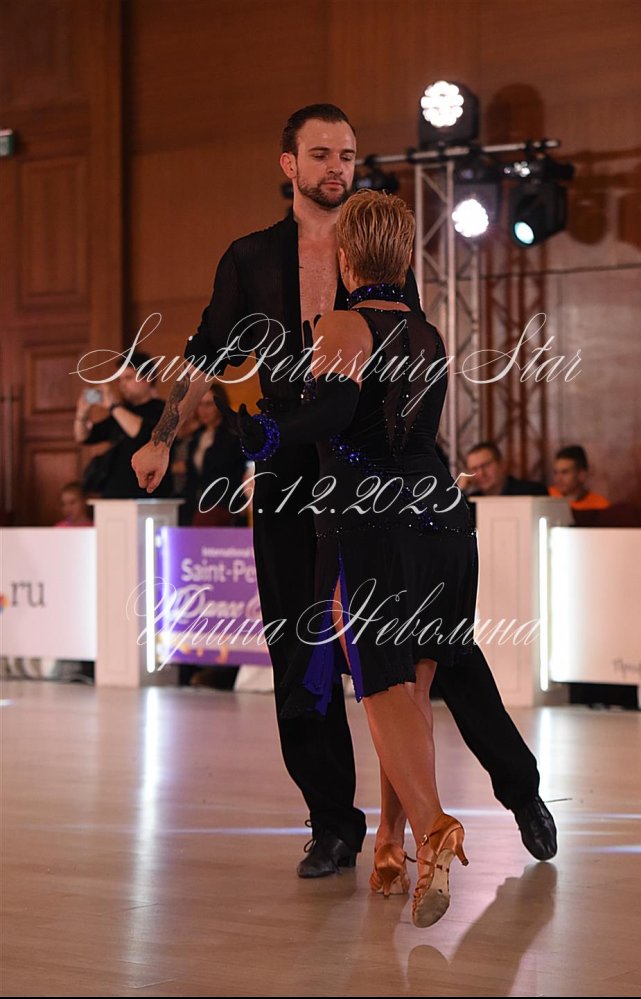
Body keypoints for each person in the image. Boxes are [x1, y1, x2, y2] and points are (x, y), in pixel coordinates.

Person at [131, 104, 556, 880]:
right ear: (288, 164)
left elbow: (405, 369)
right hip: (291, 482)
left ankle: (515, 790)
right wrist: (162, 435)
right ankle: (335, 825)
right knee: (303, 656)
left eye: (348, 154)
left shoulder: (381, 256)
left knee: (434, 655)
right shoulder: (250, 258)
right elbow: (204, 354)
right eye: (321, 153)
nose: (337, 166)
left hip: (375, 480)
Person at [75, 351, 172, 499]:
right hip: (113, 494)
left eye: (128, 378)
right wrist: (81, 414)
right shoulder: (121, 411)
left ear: (148, 377)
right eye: (119, 380)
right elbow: (84, 437)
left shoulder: (164, 410)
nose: (122, 385)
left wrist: (113, 406)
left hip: (147, 496)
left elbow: (141, 433)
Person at [180, 387, 246, 526]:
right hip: (197, 503)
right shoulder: (197, 436)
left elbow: (237, 472)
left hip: (224, 506)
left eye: (209, 404)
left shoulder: (233, 435)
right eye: (200, 404)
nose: (203, 410)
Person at [465, 441, 549, 497]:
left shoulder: (531, 492)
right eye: (474, 469)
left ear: (502, 465)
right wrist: (460, 490)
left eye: (486, 465)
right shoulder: (470, 501)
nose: (481, 473)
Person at [549, 444, 610, 510]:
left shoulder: (600, 505)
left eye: (565, 473)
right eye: (555, 473)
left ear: (581, 475)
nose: (558, 479)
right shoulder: (547, 496)